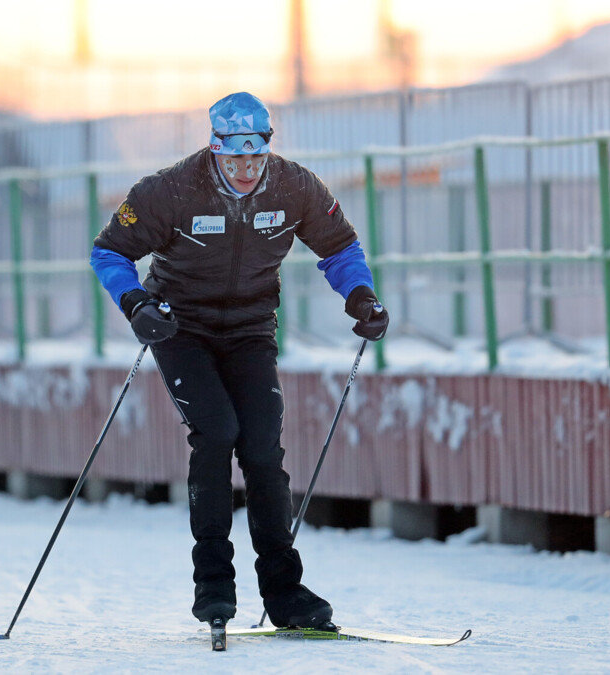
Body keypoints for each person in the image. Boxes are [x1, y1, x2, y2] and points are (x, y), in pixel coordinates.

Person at [89, 92, 389, 631]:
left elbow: (339, 248)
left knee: (261, 447)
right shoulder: (170, 190)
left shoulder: (295, 185)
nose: (248, 170)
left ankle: (285, 593)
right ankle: (214, 588)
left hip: (250, 330)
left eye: (257, 158)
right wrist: (135, 302)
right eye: (236, 160)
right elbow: (109, 251)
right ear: (215, 150)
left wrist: (361, 296)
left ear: (268, 149)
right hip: (181, 328)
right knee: (217, 431)